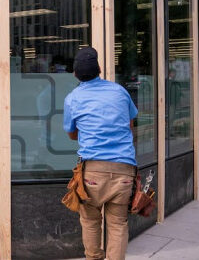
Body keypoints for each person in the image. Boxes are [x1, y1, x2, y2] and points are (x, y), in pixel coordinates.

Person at [63, 46, 137, 260]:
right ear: (100, 69)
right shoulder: (120, 91)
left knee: (90, 221)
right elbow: (129, 124)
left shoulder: (73, 98)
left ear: (75, 74)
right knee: (118, 224)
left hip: (92, 172)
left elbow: (71, 134)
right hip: (124, 170)